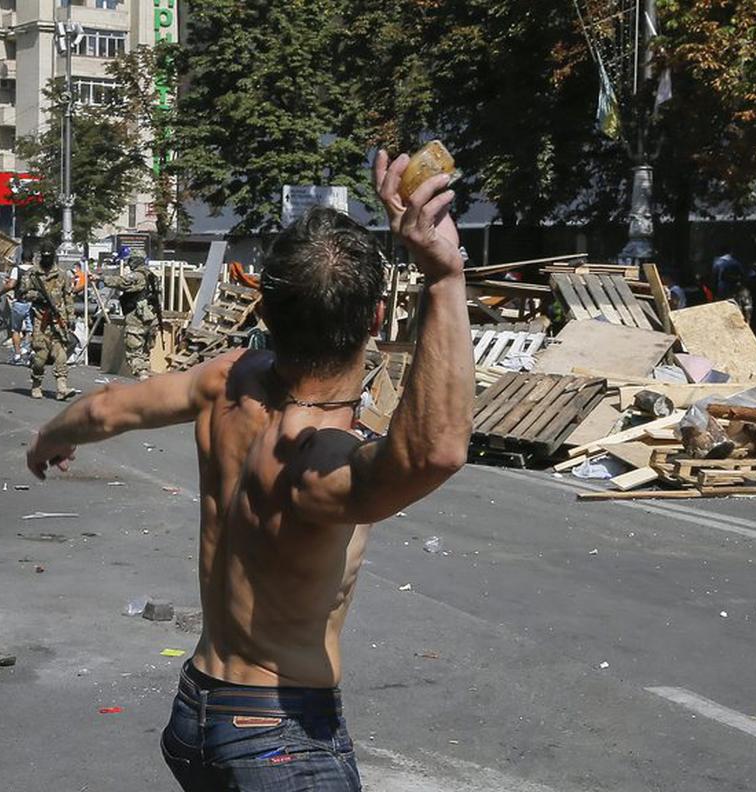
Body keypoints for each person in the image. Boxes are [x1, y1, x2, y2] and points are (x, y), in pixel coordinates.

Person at [26, 153, 473, 790]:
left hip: (197, 710)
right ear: (375, 321)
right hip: (278, 736)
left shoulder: (225, 380)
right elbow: (434, 451)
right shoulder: (314, 459)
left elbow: (104, 407)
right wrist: (445, 279)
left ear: (263, 314)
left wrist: (47, 438)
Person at [19, 251, 79, 401]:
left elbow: (68, 297)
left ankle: (62, 388)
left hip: (58, 319)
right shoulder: (32, 274)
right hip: (40, 319)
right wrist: (37, 296)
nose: (46, 260)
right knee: (41, 356)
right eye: (44, 257)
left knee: (61, 354)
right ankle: (37, 383)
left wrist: (71, 316)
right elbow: (22, 293)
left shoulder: (62, 274)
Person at [102, 251, 160, 380]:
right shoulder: (153, 276)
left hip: (137, 319)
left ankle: (143, 377)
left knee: (134, 353)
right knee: (144, 353)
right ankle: (146, 381)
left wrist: (102, 278)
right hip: (151, 320)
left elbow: (122, 282)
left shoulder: (138, 276)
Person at [0, 253, 35, 365]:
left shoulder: (17, 270)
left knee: (16, 329)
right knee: (32, 329)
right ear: (32, 259)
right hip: (33, 303)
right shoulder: (36, 270)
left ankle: (18, 355)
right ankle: (31, 352)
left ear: (21, 259)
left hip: (19, 302)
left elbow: (11, 285)